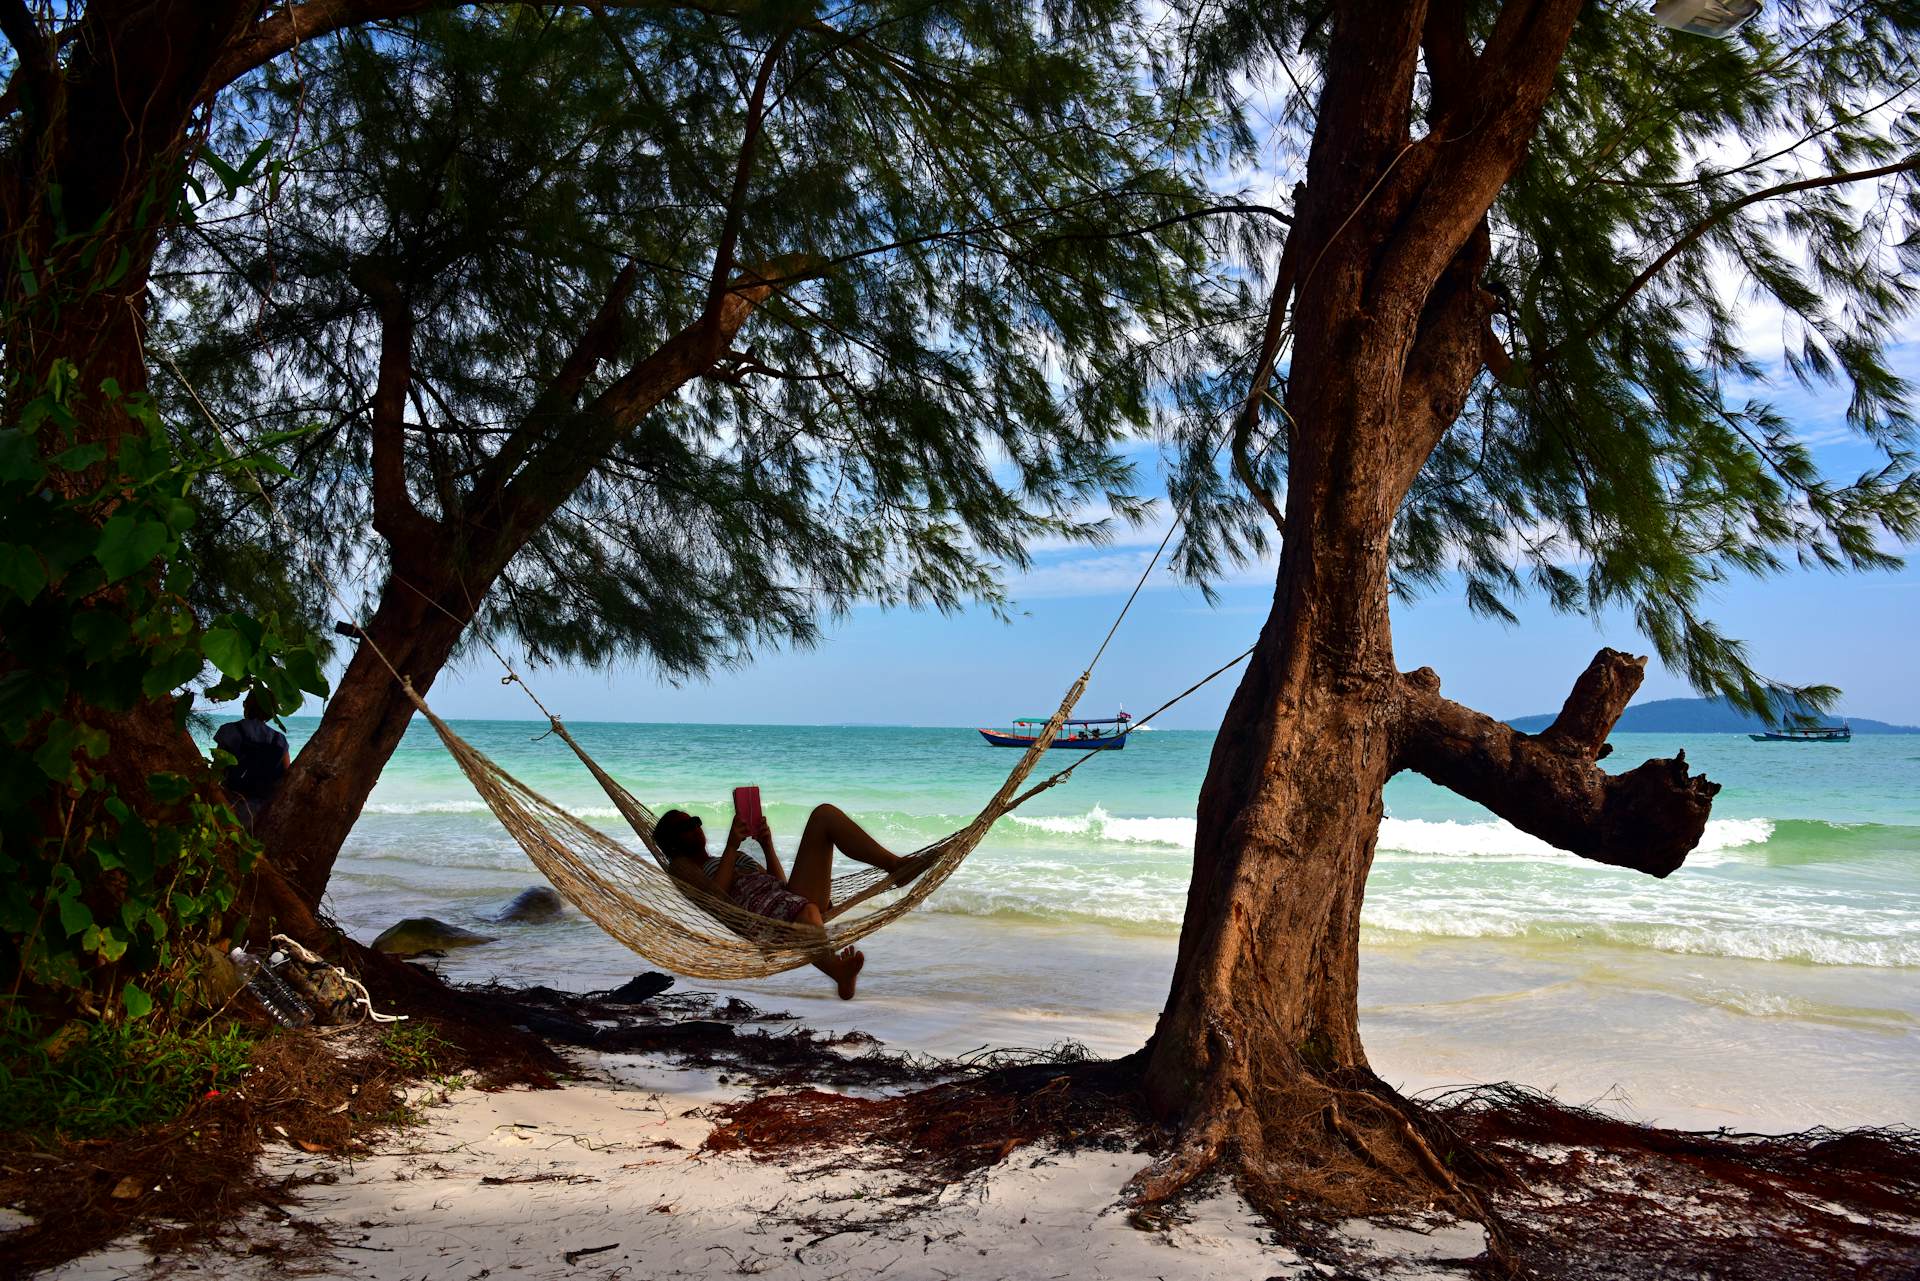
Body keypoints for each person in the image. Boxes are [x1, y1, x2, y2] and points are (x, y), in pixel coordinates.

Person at [657, 802, 936, 1000]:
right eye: (685, 826)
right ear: (672, 843)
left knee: (824, 815)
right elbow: (716, 900)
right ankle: (837, 971)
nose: (695, 827)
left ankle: (895, 867)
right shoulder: (682, 868)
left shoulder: (725, 859)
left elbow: (777, 882)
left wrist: (767, 846)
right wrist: (732, 846)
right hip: (757, 917)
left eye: (695, 821)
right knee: (806, 911)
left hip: (783, 897)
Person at [214, 691, 290, 831]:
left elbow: (217, 770)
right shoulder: (279, 739)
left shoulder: (229, 730)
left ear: (246, 706)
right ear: (270, 712)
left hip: (230, 803)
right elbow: (286, 777)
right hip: (263, 810)